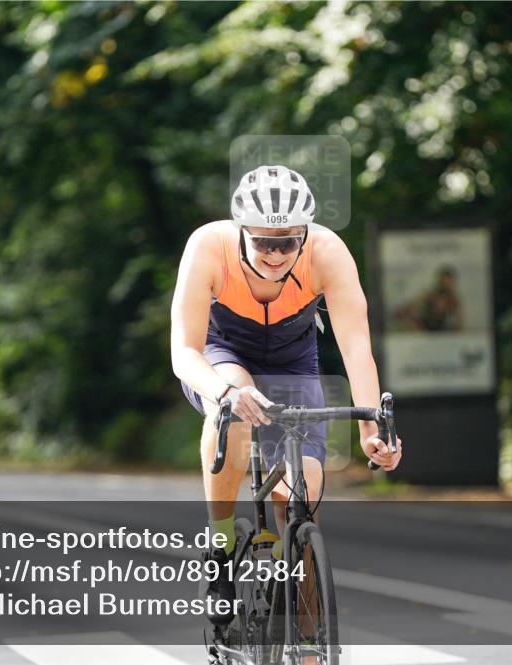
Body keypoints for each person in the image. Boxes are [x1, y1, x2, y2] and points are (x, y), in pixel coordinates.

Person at [170, 165, 402, 627]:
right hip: (222, 354)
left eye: (288, 242)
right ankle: (220, 545)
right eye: (262, 242)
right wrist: (223, 393)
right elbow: (184, 351)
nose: (275, 254)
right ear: (241, 233)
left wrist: (373, 430)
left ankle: (309, 642)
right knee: (234, 407)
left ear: (305, 234)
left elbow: (357, 350)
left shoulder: (328, 253)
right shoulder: (207, 247)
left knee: (302, 499)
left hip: (294, 362)